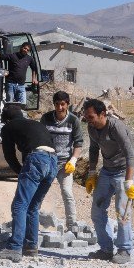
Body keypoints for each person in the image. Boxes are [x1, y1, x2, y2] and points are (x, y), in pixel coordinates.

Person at [0, 105, 59, 262]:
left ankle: (15, 248)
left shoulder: (8, 127)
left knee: (19, 205)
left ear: (7, 120)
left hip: (37, 159)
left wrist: (20, 172)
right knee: (33, 207)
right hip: (53, 162)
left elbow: (9, 155)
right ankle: (31, 246)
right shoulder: (35, 124)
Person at [81, 99, 134, 264]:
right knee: (97, 211)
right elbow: (93, 149)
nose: (88, 120)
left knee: (122, 212)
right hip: (106, 171)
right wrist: (92, 173)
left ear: (102, 114)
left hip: (123, 171)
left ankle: (124, 250)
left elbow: (130, 154)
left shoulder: (115, 127)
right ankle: (106, 249)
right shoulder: (92, 128)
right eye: (86, 117)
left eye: (91, 117)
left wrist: (129, 181)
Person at [39, 91, 85, 228]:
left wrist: (73, 160)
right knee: (39, 192)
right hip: (48, 161)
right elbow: (40, 138)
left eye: (63, 104)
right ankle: (32, 221)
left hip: (65, 164)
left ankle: (72, 225)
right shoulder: (46, 118)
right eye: (57, 104)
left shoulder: (73, 121)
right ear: (54, 104)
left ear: (68, 104)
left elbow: (78, 143)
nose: (60, 108)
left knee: (67, 193)